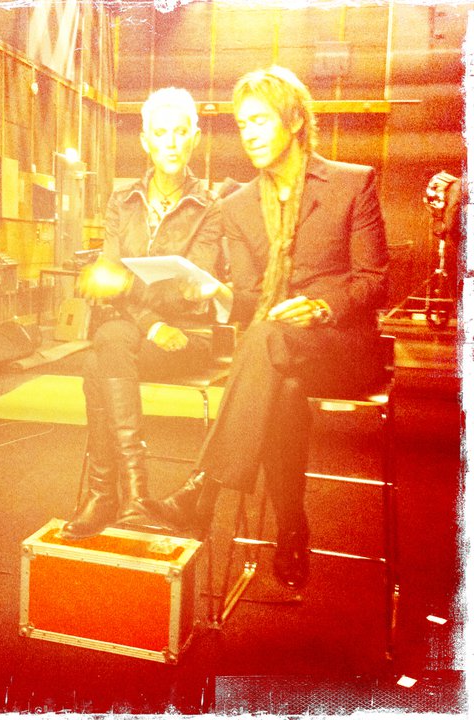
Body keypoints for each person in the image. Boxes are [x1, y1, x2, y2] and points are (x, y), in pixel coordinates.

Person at [131, 66, 390, 589]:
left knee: (268, 340)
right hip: (277, 354)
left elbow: (375, 281)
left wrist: (321, 307)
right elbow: (253, 304)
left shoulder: (351, 183)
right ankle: (292, 527)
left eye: (259, 121)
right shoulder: (237, 207)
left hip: (342, 347)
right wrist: (218, 294)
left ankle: (202, 491)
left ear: (294, 120)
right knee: (283, 385)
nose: (248, 133)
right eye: (242, 123)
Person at [60, 87, 228, 540]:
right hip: (137, 333)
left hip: (188, 335)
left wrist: (129, 288)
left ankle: (105, 493)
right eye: (161, 132)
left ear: (194, 138)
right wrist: (151, 322)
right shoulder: (122, 202)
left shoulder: (211, 206)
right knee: (109, 344)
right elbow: (112, 281)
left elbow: (190, 289)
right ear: (145, 141)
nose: (171, 142)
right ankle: (133, 494)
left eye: (180, 132)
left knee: (99, 357)